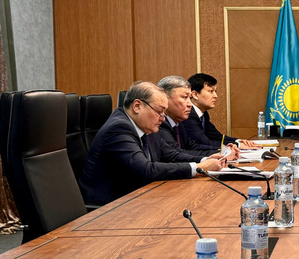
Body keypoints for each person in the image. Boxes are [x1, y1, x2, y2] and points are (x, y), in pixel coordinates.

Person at [81, 81, 225, 205]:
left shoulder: (146, 125)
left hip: (137, 197)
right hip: (110, 207)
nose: (163, 118)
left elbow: (171, 155)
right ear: (137, 106)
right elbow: (145, 170)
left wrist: (205, 160)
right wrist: (198, 168)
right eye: (160, 111)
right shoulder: (118, 128)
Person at [155, 75, 240, 160]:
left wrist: (224, 151)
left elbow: (192, 146)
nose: (190, 104)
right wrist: (218, 155)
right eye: (185, 97)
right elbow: (176, 154)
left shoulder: (178, 122)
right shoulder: (160, 123)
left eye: (189, 98)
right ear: (164, 98)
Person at [183, 73, 259, 149]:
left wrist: (239, 141)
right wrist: (237, 145)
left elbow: (217, 137)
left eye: (215, 91)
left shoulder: (203, 114)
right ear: (195, 95)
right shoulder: (188, 114)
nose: (215, 96)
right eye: (211, 91)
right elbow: (203, 142)